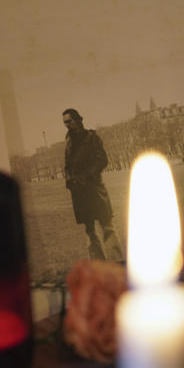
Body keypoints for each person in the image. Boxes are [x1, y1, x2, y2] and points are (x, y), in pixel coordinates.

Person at [62, 108, 123, 261]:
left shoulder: (91, 137)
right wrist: (69, 180)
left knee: (107, 225)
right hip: (79, 192)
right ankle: (99, 265)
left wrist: (86, 176)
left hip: (94, 189)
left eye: (69, 121)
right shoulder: (68, 141)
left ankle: (118, 262)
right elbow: (68, 164)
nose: (67, 125)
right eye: (65, 123)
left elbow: (102, 160)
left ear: (77, 119)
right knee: (89, 229)